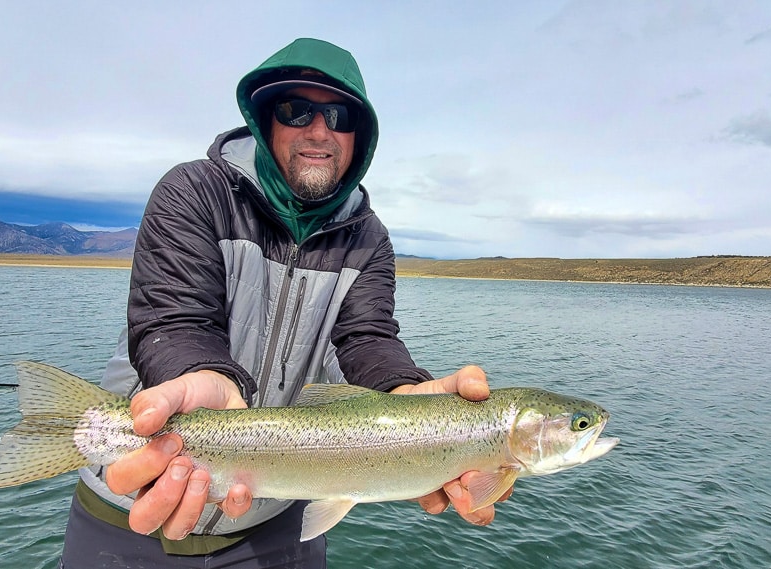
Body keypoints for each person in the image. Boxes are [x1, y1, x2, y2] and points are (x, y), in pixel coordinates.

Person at [59, 38, 508, 568]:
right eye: (298, 111)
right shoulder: (194, 192)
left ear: (359, 137)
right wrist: (197, 374)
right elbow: (174, 321)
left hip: (274, 528)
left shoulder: (369, 240)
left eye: (339, 115)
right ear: (266, 119)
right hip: (132, 502)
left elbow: (367, 340)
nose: (319, 130)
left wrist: (409, 399)